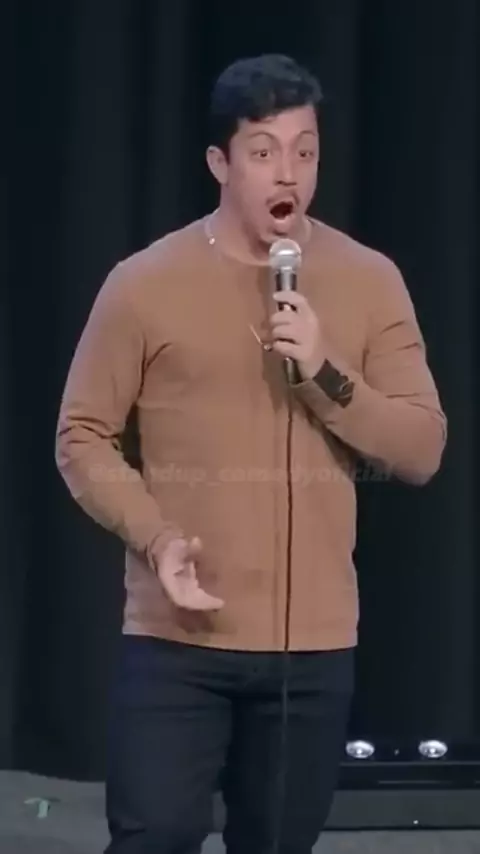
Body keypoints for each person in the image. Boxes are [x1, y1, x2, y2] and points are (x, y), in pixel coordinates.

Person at [55, 54, 447, 854]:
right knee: (156, 835)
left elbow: (421, 448)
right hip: (178, 639)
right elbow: (81, 435)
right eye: (264, 151)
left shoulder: (370, 280)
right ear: (220, 163)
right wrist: (157, 538)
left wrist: (325, 372)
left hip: (312, 648)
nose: (289, 173)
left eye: (305, 151)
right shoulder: (144, 283)